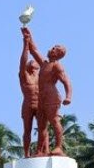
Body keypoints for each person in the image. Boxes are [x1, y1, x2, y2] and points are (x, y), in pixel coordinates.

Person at [23, 27, 72, 156]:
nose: (52, 48)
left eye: (55, 48)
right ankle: (40, 150)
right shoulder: (44, 63)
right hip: (42, 98)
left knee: (54, 120)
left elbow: (66, 81)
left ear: (58, 54)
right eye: (53, 47)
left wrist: (68, 96)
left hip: (52, 97)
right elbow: (33, 50)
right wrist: (29, 36)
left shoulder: (57, 66)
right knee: (41, 125)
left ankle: (58, 146)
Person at [19, 28, 40, 157]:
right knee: (27, 130)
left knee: (43, 129)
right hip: (27, 105)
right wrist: (25, 44)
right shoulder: (24, 76)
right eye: (30, 62)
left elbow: (36, 52)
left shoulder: (40, 77)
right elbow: (23, 61)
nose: (32, 62)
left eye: (34, 62)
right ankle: (26, 153)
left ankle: (41, 151)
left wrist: (30, 37)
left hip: (39, 104)